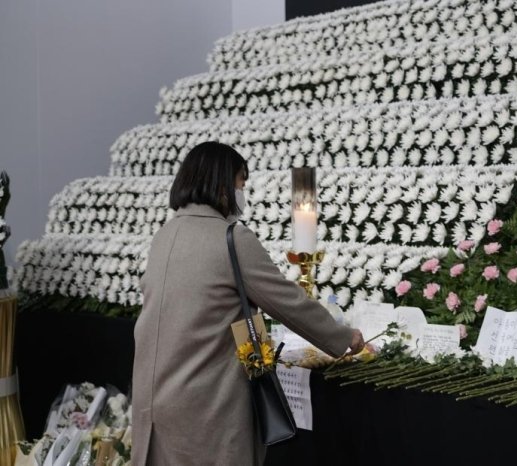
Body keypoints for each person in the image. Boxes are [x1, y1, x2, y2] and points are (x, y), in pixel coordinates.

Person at [131, 141, 365, 466]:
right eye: (241, 182)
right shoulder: (231, 238)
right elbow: (287, 301)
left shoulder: (164, 236)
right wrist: (342, 337)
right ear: (221, 183)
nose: (243, 192)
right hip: (208, 405)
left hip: (156, 404)